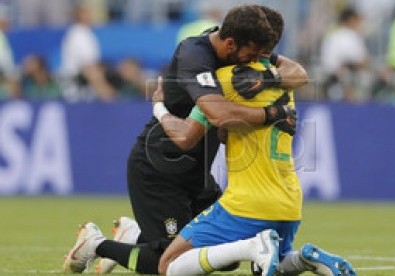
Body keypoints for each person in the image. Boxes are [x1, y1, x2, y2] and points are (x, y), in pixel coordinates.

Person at [62, 5, 308, 275]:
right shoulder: (195, 55)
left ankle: (133, 236)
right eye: (252, 56)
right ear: (230, 45)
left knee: (226, 257)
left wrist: (267, 77)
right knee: (169, 264)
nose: (255, 62)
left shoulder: (242, 53)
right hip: (159, 166)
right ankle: (96, 244)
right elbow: (216, 115)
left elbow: (300, 74)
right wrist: (272, 113)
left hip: (197, 169)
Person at [152, 40, 356, 276]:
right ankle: (304, 260)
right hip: (289, 203)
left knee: (168, 265)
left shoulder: (223, 81)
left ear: (235, 45)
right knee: (268, 265)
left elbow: (185, 137)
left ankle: (251, 247)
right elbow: (300, 73)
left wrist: (159, 107)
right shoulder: (286, 81)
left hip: (246, 203)